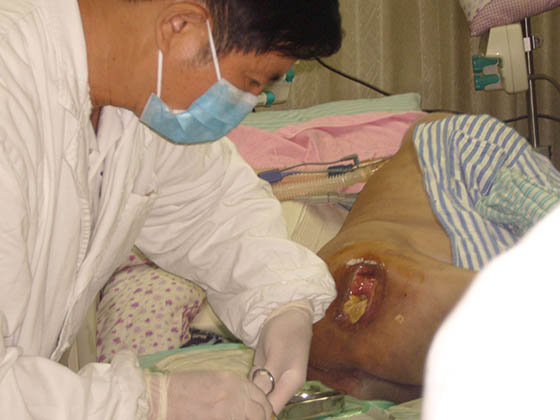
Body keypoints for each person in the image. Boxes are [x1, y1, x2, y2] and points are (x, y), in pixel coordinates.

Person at [0, 0, 342, 419]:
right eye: (248, 83)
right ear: (181, 25)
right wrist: (147, 401)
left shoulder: (133, 93)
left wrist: (283, 303)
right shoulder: (11, 88)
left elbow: (212, 208)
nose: (242, 108)